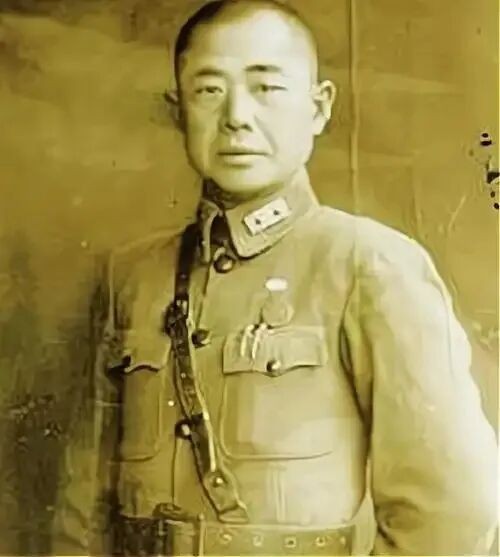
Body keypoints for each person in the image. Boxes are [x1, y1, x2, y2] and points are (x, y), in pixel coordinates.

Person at [51, 1, 498, 555]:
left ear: (318, 108)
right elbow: (83, 505)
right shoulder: (134, 275)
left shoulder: (369, 265)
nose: (237, 116)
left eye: (266, 87)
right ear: (177, 110)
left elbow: (450, 511)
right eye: (209, 90)